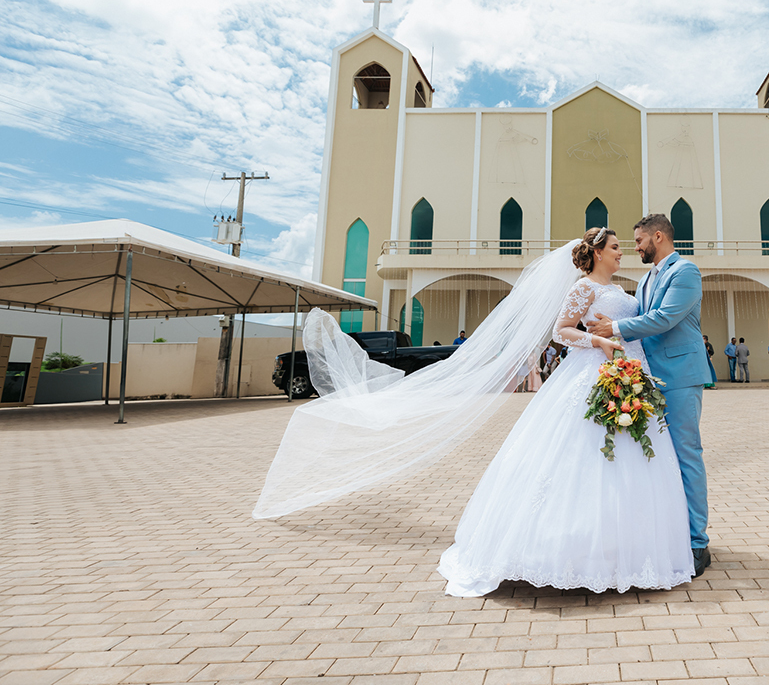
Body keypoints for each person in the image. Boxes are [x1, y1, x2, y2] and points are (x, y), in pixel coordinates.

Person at [254, 229, 696, 597]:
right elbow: (561, 332)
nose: (623, 253)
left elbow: (642, 323)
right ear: (597, 252)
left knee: (634, 458)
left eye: (626, 246)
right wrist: (596, 341)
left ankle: (632, 549)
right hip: (590, 376)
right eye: (617, 247)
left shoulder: (622, 290)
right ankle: (571, 553)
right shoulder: (582, 288)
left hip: (627, 375)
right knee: (581, 458)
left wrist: (617, 347)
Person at [589, 214, 713, 577]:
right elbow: (640, 316)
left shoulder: (685, 271)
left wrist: (614, 327)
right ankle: (668, 533)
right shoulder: (646, 279)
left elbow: (665, 317)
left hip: (679, 375)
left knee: (687, 453)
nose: (636, 248)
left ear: (658, 236)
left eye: (640, 241)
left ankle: (697, 542)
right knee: (661, 459)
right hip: (647, 378)